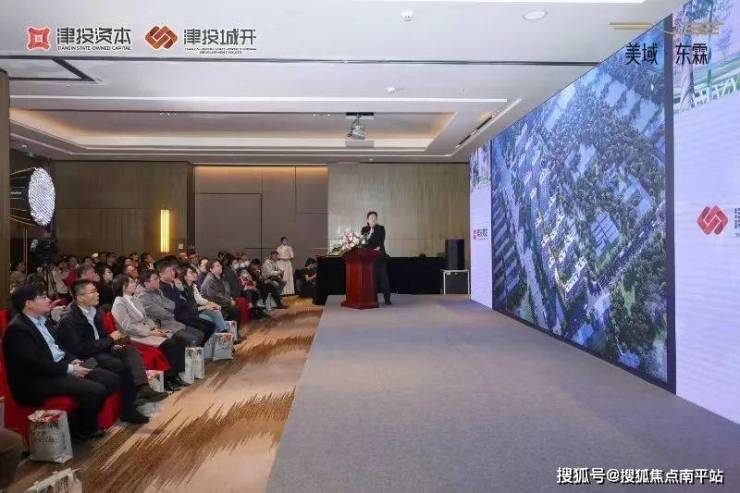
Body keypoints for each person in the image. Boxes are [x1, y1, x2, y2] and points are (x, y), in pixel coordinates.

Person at [3, 285, 120, 440]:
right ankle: (84, 430)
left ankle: (78, 419)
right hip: (38, 379)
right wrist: (69, 369)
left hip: (59, 367)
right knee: (95, 390)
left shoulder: (43, 321)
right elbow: (35, 365)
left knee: (111, 379)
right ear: (29, 303)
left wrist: (72, 360)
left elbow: (58, 348)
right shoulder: (18, 330)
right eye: (42, 297)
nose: (48, 300)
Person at [58, 280, 167, 425]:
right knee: (121, 365)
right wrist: (109, 340)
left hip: (102, 349)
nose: (98, 294)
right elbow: (80, 348)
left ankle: (143, 387)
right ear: (80, 297)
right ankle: (128, 409)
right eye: (93, 292)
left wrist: (111, 344)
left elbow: (103, 336)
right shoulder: (69, 319)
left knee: (128, 349)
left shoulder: (95, 311)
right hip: (86, 357)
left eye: (96, 291)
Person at [110, 274, 189, 391]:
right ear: (122, 286)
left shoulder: (134, 299)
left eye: (133, 281)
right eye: (130, 282)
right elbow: (128, 327)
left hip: (147, 331)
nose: (134, 284)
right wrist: (150, 332)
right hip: (134, 336)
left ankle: (177, 374)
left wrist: (154, 328)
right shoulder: (119, 303)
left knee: (180, 341)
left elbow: (146, 318)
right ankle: (169, 378)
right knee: (170, 344)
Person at [137, 269, 206, 347]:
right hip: (161, 327)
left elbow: (172, 304)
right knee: (193, 338)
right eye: (155, 279)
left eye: (158, 278)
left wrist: (166, 308)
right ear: (146, 283)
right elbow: (163, 314)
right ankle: (189, 354)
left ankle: (193, 353)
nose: (158, 280)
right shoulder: (143, 297)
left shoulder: (157, 291)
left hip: (172, 322)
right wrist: (169, 310)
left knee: (200, 334)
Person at [158, 261, 215, 344]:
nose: (173, 273)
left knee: (211, 325)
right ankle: (198, 348)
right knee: (204, 329)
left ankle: (200, 348)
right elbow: (175, 304)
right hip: (178, 317)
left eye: (173, 270)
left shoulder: (174, 284)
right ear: (161, 274)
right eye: (169, 271)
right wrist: (183, 301)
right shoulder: (162, 288)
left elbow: (183, 299)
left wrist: (181, 292)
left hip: (186, 313)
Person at [180, 265, 231, 332]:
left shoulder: (193, 286)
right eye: (191, 272)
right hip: (190, 314)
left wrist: (211, 304)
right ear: (184, 276)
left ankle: (224, 333)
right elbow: (190, 309)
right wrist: (206, 306)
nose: (194, 274)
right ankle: (218, 336)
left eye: (195, 272)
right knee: (210, 319)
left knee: (216, 311)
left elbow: (199, 299)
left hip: (197, 310)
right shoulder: (182, 289)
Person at [361, 211, 392, 305]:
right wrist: (370, 235)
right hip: (368, 260)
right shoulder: (364, 230)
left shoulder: (381, 228)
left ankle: (387, 299)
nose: (373, 219)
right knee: (371, 280)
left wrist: (371, 246)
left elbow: (380, 241)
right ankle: (373, 299)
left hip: (380, 258)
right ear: (367, 220)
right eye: (371, 218)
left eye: (375, 217)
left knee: (383, 279)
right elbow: (363, 244)